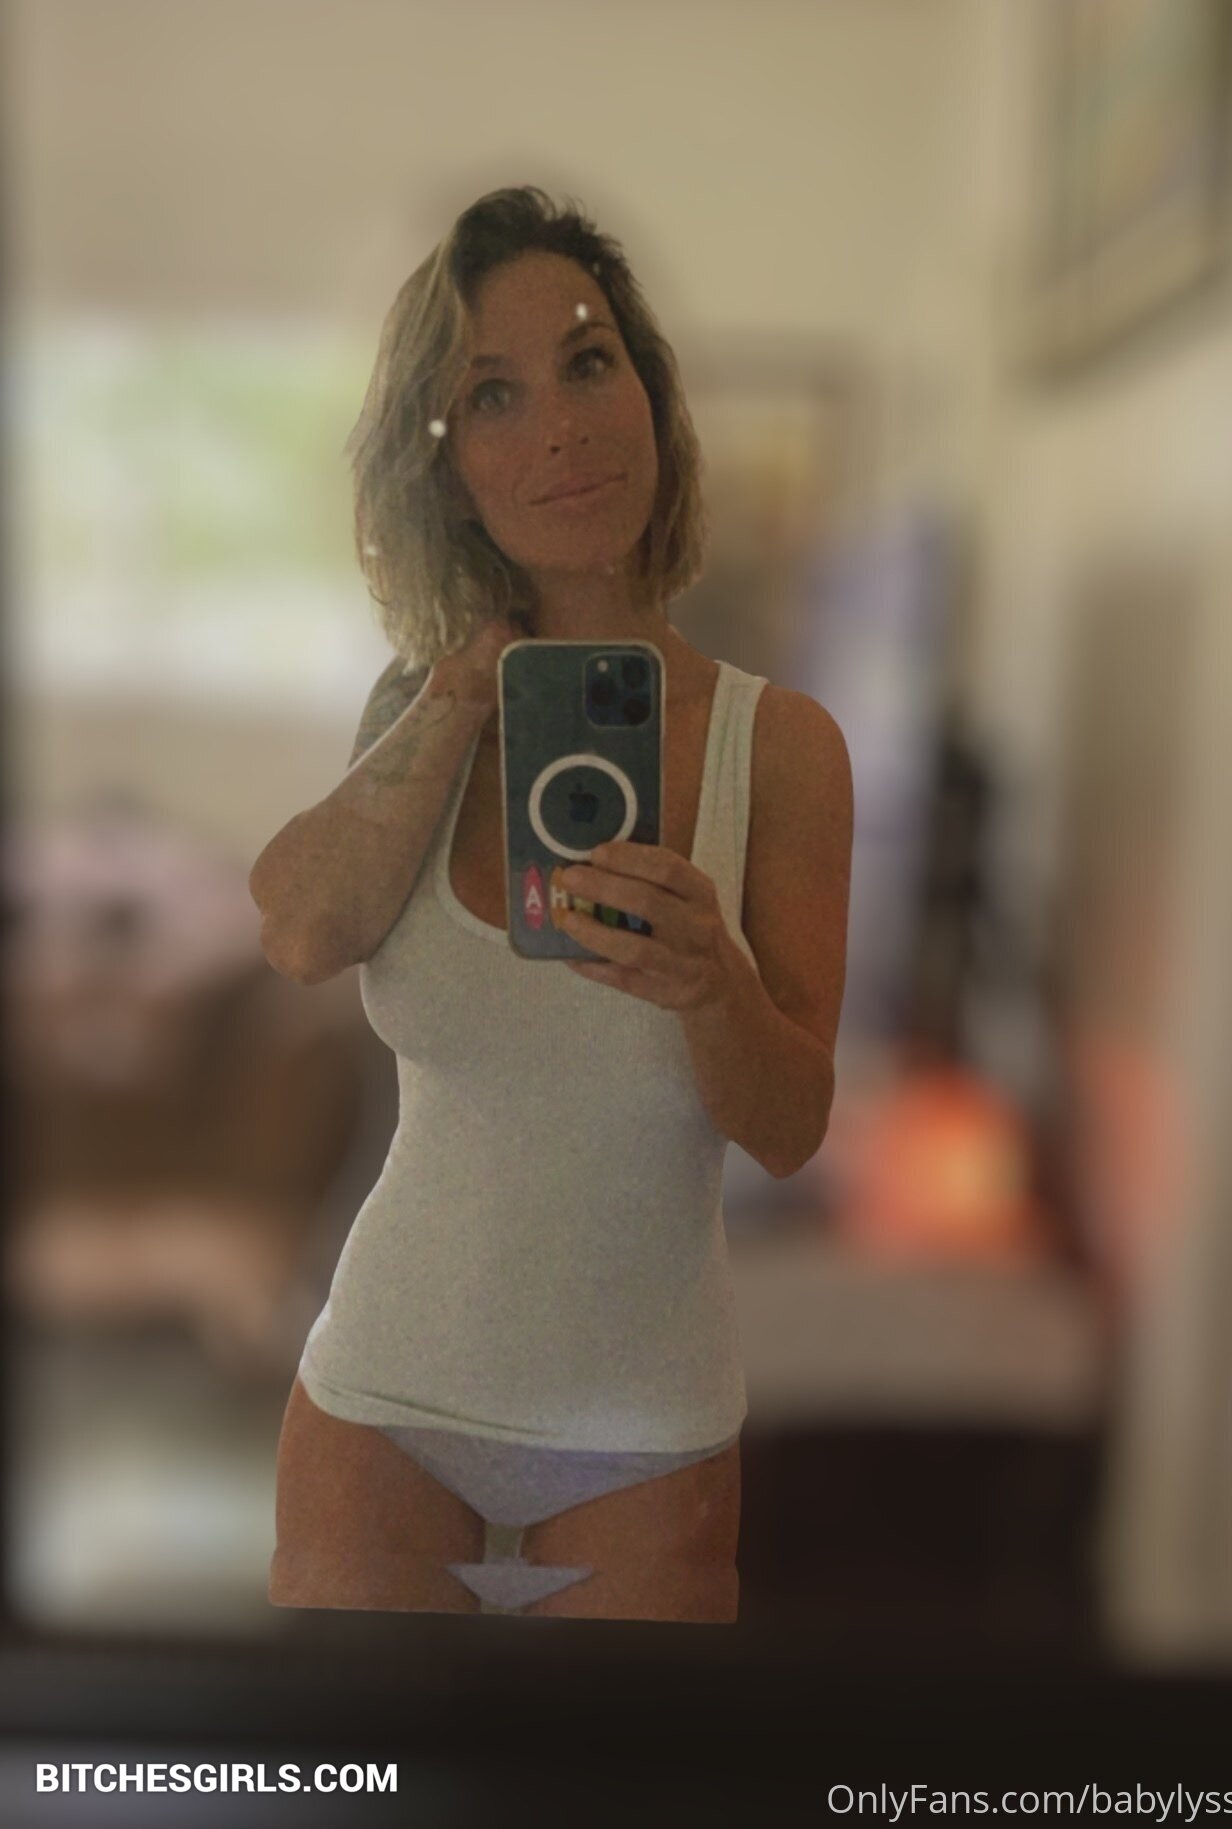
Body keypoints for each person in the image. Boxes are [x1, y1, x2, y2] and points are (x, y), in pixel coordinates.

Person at [250, 186, 853, 1623]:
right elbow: (299, 929)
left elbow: (791, 1127)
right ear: (450, 469)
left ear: (650, 393)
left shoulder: (782, 747)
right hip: (380, 1404)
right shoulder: (419, 710)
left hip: (646, 1435)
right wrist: (462, 688)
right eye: (493, 395)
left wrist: (712, 984)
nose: (563, 427)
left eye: (588, 362)